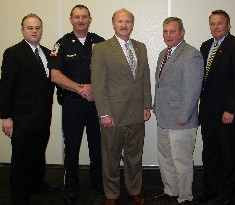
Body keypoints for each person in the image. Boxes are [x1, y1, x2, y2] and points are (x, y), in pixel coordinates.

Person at [90, 8, 152, 205]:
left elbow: (144, 79)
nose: (124, 25)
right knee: (111, 157)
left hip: (136, 113)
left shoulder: (141, 47)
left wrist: (146, 105)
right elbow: (98, 84)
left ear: (132, 25)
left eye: (128, 22)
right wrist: (104, 113)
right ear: (113, 24)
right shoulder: (101, 48)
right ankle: (111, 194)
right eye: (120, 21)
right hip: (113, 114)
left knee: (134, 156)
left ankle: (134, 190)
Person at [47, 4, 105, 205]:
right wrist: (80, 89)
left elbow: (108, 74)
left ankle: (99, 182)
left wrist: (93, 88)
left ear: (90, 19)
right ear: (71, 19)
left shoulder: (100, 43)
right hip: (72, 103)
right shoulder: (61, 44)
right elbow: (55, 75)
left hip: (96, 103)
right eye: (77, 17)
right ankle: (71, 186)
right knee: (71, 146)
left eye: (84, 17)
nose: (81, 20)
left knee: (97, 145)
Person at [0, 13, 58, 205]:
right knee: (20, 159)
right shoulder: (13, 53)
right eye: (30, 28)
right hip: (21, 118)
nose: (34, 31)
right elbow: (6, 87)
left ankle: (36, 184)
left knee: (37, 154)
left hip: (42, 116)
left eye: (37, 28)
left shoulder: (48, 52)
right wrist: (5, 117)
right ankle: (19, 196)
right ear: (23, 30)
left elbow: (51, 82)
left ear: (41, 30)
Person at [197, 10, 235, 205]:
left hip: (228, 113)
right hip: (208, 112)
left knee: (230, 156)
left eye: (220, 23)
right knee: (210, 154)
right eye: (212, 24)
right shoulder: (205, 46)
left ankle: (228, 194)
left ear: (228, 25)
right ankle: (210, 190)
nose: (216, 27)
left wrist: (232, 109)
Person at [152, 17, 203, 205]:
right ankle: (171, 190)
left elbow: (193, 89)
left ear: (182, 32)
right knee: (165, 158)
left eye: (172, 31)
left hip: (182, 120)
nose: (168, 35)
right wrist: (156, 108)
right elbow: (160, 85)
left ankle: (185, 197)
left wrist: (184, 115)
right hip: (164, 117)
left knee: (181, 161)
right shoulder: (162, 54)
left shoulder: (191, 55)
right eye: (165, 31)